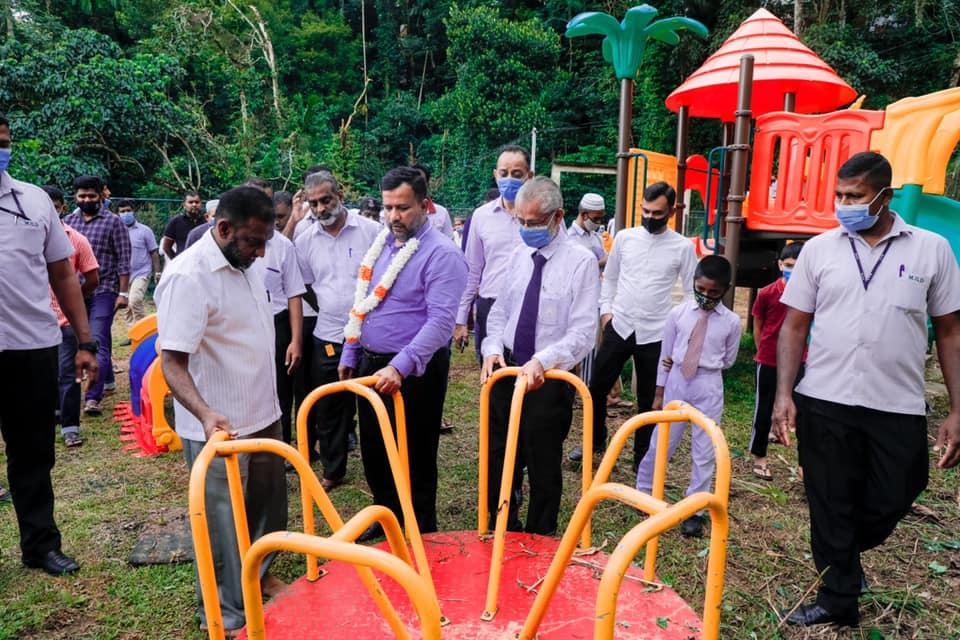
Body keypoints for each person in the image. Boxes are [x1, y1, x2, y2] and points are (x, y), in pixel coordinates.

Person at [772, 151, 960, 627]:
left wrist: (958, 408)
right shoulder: (819, 250)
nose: (844, 204)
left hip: (897, 402)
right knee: (828, 497)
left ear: (885, 196)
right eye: (839, 195)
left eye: (855, 196)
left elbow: (950, 331)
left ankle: (842, 553)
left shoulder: (932, 249)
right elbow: (794, 326)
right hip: (825, 398)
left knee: (902, 487)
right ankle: (838, 598)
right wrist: (783, 394)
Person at [156, 186, 287, 635]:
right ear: (224, 228)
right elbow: (172, 361)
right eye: (253, 241)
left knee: (267, 508)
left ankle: (260, 575)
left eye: (265, 241)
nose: (260, 251)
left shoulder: (249, 260)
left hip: (263, 410)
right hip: (217, 426)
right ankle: (228, 616)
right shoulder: (188, 277)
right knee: (221, 527)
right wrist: (205, 412)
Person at [339, 167, 467, 541]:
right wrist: (351, 350)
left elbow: (441, 323)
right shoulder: (382, 244)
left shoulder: (442, 254)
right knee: (376, 450)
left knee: (415, 455)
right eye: (388, 207)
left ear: (425, 206)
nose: (394, 216)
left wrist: (400, 366)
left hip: (415, 370)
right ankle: (387, 518)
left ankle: (421, 534)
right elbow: (363, 301)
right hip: (372, 364)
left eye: (403, 208)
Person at [0, 110, 98, 575]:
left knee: (33, 452)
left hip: (31, 347)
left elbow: (63, 273)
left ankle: (40, 545)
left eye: (3, 141)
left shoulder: (34, 200)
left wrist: (85, 341)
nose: (0, 150)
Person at [481, 177, 600, 535]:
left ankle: (540, 536)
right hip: (506, 370)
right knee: (499, 455)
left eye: (533, 222)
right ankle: (501, 524)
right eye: (521, 221)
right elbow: (501, 311)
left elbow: (583, 332)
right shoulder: (519, 255)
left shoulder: (580, 262)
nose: (526, 229)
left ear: (558, 217)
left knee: (543, 460)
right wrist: (491, 348)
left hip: (548, 378)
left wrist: (543, 360)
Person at [573, 181, 697, 468]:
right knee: (596, 388)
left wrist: (679, 328)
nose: (650, 217)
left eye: (657, 213)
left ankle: (643, 458)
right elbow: (611, 277)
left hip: (656, 333)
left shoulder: (682, 247)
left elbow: (691, 293)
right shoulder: (625, 238)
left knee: (649, 399)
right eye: (646, 211)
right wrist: (606, 313)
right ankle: (595, 441)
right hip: (619, 325)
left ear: (672, 212)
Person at [635, 255, 742, 538]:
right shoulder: (678, 314)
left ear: (725, 290)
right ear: (693, 282)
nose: (706, 296)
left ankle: (695, 509)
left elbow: (729, 359)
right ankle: (644, 491)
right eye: (701, 289)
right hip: (677, 380)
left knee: (705, 448)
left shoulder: (731, 322)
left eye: (714, 292)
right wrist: (660, 391)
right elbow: (666, 353)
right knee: (662, 440)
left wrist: (706, 364)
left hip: (708, 383)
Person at [295, 172, 380, 487]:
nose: (320, 208)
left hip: (371, 335)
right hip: (329, 335)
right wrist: (329, 308)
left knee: (373, 405)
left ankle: (380, 471)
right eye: (314, 203)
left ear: (340, 196)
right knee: (329, 406)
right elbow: (305, 285)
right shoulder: (304, 242)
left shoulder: (371, 231)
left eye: (326, 200)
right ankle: (333, 471)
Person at [454, 145, 533, 360]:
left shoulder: (544, 216)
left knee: (528, 372)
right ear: (495, 175)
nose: (509, 179)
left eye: (517, 174)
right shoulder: (481, 217)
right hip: (490, 304)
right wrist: (461, 318)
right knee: (492, 372)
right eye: (504, 173)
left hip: (531, 307)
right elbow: (471, 270)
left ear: (529, 176)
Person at [63, 175, 132, 416]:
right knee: (77, 339)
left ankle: (93, 398)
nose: (86, 200)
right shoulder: (68, 223)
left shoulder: (114, 222)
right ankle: (108, 378)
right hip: (76, 291)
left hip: (104, 289)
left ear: (101, 195)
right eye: (82, 196)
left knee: (97, 339)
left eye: (91, 196)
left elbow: (124, 258)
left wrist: (123, 292)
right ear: (75, 196)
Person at [41, 185, 101, 448]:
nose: (48, 213)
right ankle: (51, 415)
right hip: (35, 322)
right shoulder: (23, 237)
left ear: (63, 208)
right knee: (42, 374)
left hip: (65, 321)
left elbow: (92, 278)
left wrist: (73, 298)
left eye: (54, 208)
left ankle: (70, 427)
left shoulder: (76, 240)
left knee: (69, 373)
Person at [247, 193, 305, 449]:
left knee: (281, 390)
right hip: (246, 326)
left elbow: (294, 294)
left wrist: (295, 340)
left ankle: (281, 450)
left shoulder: (283, 246)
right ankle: (252, 445)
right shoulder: (238, 244)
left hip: (277, 325)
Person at [749, 242, 804, 480]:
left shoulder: (810, 294)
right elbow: (758, 325)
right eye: (789, 265)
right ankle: (759, 456)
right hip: (769, 359)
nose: (792, 270)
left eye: (798, 267)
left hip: (800, 360)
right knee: (763, 408)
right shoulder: (767, 293)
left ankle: (804, 463)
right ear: (780, 265)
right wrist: (762, 351)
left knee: (803, 410)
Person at [118, 200, 161, 332]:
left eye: (128, 210)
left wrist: (157, 272)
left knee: (135, 300)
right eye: (122, 211)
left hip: (142, 272)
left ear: (133, 211)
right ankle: (132, 333)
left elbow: (154, 252)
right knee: (126, 306)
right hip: (123, 274)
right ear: (118, 214)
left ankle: (144, 330)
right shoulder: (116, 230)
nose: (126, 214)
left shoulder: (145, 231)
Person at [411, 164, 454, 239]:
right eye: (412, 182)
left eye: (420, 182)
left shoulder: (441, 213)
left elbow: (449, 242)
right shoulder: (397, 213)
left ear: (427, 185)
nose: (416, 186)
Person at [567, 192, 608, 268]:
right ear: (584, 215)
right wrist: (599, 264)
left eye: (601, 218)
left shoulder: (597, 237)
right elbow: (571, 269)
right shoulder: (569, 239)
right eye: (596, 218)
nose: (599, 222)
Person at [161, 191, 205, 260]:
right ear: (184, 205)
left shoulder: (206, 221)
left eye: (197, 202)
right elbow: (166, 247)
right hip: (184, 263)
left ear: (201, 204)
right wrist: (176, 261)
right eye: (190, 202)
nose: (194, 205)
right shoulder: (175, 222)